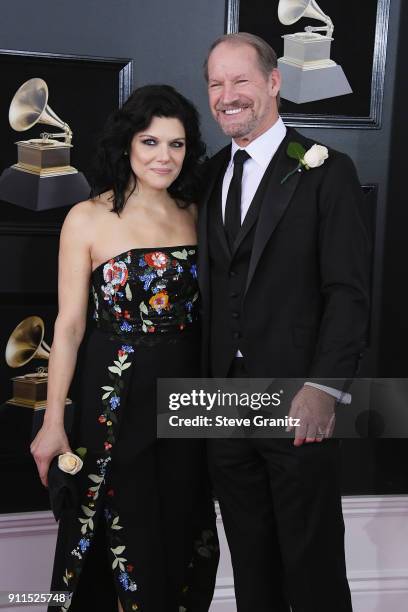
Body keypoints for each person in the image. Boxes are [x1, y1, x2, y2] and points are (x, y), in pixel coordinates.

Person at [30, 84, 219, 612]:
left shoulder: (197, 211)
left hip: (189, 393)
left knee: (182, 523)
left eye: (177, 145)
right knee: (118, 524)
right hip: (113, 396)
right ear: (127, 145)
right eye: (151, 142)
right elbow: (67, 327)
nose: (164, 157)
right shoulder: (87, 218)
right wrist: (52, 423)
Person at [198, 33, 370, 611]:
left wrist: (325, 389)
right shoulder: (208, 172)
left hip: (299, 400)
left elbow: (347, 293)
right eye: (216, 84)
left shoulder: (327, 170)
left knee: (313, 566)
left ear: (273, 82)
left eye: (240, 80)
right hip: (222, 406)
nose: (227, 96)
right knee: (251, 565)